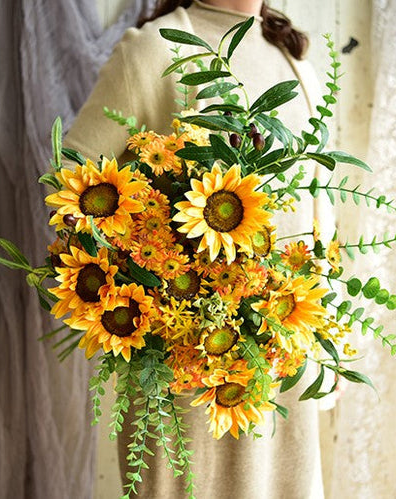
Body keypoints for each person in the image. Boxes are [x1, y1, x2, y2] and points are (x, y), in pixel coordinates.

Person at [64, 1, 333, 497]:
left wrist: (320, 350)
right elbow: (73, 188)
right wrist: (153, 283)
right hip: (183, 369)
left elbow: (318, 215)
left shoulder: (296, 63)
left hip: (283, 360)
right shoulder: (152, 48)